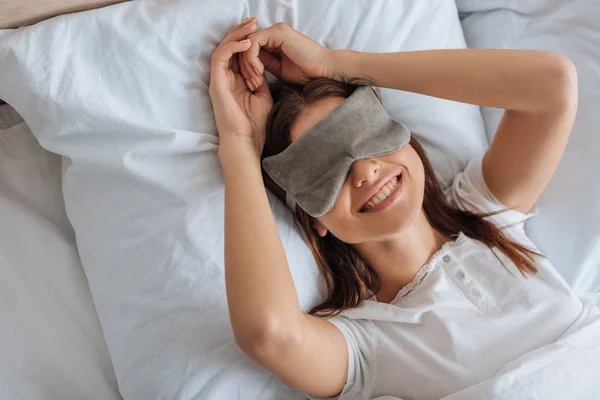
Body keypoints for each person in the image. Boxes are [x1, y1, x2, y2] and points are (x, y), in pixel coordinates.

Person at [208, 17, 599, 399]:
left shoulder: (488, 215)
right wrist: (240, 145)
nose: (365, 169)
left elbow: (552, 83)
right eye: (324, 167)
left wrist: (341, 65)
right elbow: (270, 333)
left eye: (366, 132)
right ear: (315, 220)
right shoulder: (366, 347)